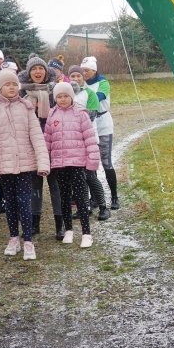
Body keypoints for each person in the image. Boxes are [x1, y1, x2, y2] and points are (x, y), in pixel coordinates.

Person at [0, 69, 50, 260]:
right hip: (4, 167)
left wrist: (43, 162)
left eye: (14, 84)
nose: (11, 88)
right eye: (7, 85)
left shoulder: (26, 107)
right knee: (9, 203)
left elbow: (37, 137)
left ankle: (28, 240)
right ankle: (13, 238)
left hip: (25, 165)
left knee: (24, 202)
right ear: (0, 87)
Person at [45, 81, 100, 248]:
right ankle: (68, 229)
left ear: (72, 96)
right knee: (64, 198)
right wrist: (45, 161)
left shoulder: (81, 114)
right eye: (59, 97)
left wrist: (92, 162)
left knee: (81, 197)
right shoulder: (52, 115)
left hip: (77, 163)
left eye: (65, 96)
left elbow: (90, 139)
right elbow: (47, 140)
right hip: (59, 164)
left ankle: (86, 233)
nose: (62, 99)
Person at [19, 54, 63, 237]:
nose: (38, 72)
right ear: (29, 73)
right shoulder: (22, 94)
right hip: (31, 144)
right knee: (34, 185)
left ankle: (60, 224)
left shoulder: (54, 92)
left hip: (52, 143)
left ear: (46, 72)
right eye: (34, 69)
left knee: (55, 185)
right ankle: (34, 223)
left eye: (41, 68)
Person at [68, 65, 106, 218]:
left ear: (83, 77)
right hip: (73, 142)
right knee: (78, 178)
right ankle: (84, 207)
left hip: (89, 139)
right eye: (72, 76)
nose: (76, 79)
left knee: (90, 175)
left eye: (78, 75)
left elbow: (90, 115)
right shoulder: (66, 93)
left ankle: (103, 206)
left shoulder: (90, 93)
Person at [81, 56, 117, 217]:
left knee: (106, 162)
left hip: (103, 124)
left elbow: (99, 96)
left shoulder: (103, 82)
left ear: (94, 70)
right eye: (83, 71)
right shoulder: (82, 84)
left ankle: (114, 197)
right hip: (89, 125)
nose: (84, 73)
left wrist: (83, 95)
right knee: (90, 163)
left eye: (87, 70)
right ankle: (94, 198)